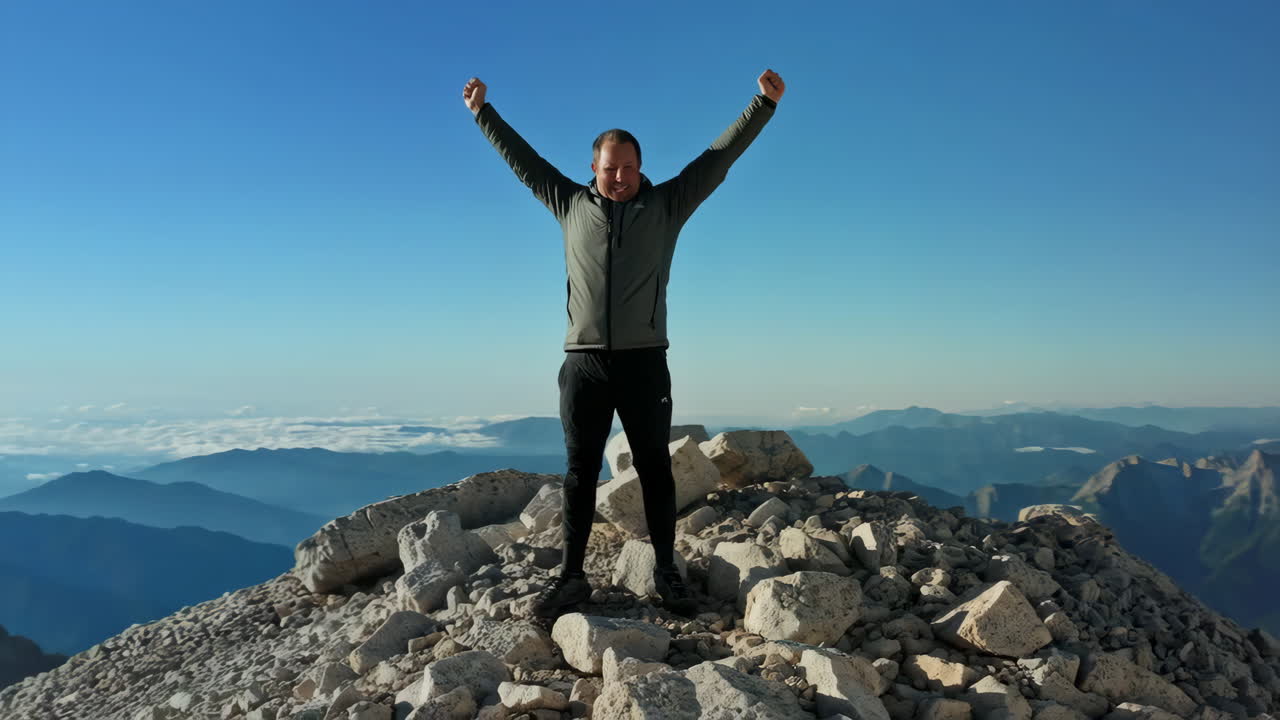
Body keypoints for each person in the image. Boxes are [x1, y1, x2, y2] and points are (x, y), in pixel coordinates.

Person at [463, 69, 785, 618]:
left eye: (629, 168)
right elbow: (525, 163)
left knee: (656, 467)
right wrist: (483, 114)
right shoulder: (568, 203)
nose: (619, 177)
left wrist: (763, 104)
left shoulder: (667, 205)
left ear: (641, 168)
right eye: (610, 169)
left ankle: (666, 573)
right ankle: (570, 579)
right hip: (582, 364)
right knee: (579, 471)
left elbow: (716, 158)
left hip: (644, 362)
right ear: (594, 168)